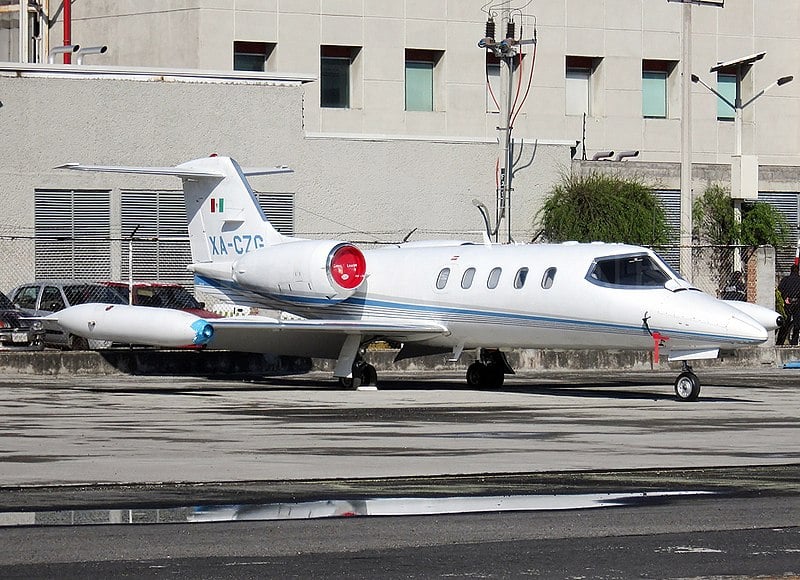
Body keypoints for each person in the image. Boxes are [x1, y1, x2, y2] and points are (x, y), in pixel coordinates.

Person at [777, 264, 800, 346]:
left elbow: (780, 289)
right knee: (797, 324)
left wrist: (785, 298)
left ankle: (780, 342)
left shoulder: (786, 279)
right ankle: (794, 342)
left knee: (785, 324)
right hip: (797, 304)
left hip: (788, 303)